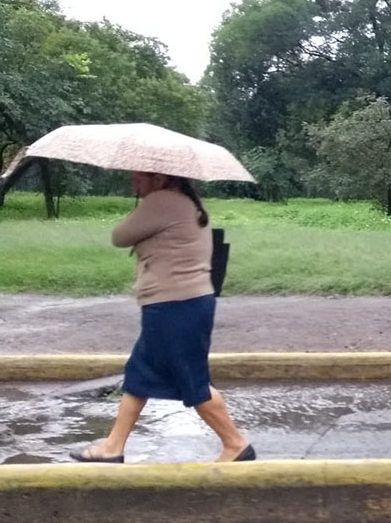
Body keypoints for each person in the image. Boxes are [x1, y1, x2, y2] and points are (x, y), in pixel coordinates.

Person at [69, 172, 254, 464]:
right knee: (139, 374)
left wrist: (138, 209)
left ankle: (235, 444)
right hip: (179, 305)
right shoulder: (182, 201)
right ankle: (114, 446)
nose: (133, 183)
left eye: (138, 178)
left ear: (158, 178)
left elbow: (120, 236)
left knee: (193, 381)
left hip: (176, 306)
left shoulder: (162, 201)